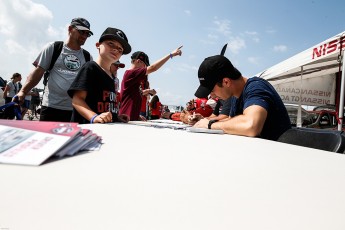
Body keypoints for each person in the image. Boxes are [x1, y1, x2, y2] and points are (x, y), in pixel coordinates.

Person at [193, 55, 291, 141]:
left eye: (212, 90)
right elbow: (230, 123)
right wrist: (204, 121)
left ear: (226, 82)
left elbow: (251, 126)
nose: (211, 95)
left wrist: (210, 125)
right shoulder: (236, 96)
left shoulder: (256, 87)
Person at [16, 17, 93, 122]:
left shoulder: (87, 56)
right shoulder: (54, 48)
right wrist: (23, 91)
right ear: (70, 29)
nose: (84, 36)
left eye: (87, 34)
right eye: (81, 32)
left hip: (76, 110)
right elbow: (37, 72)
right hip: (51, 107)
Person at [67, 27, 131, 124]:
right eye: (111, 43)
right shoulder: (90, 67)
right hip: (87, 130)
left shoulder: (112, 77)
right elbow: (77, 100)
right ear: (98, 45)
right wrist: (94, 117)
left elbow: (106, 106)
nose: (115, 49)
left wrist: (116, 117)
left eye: (120, 49)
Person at [119, 46, 183, 121]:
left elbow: (133, 97)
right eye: (145, 65)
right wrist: (171, 55)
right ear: (138, 61)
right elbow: (153, 68)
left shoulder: (135, 78)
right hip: (126, 119)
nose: (145, 67)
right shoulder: (131, 73)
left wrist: (137, 116)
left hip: (130, 118)